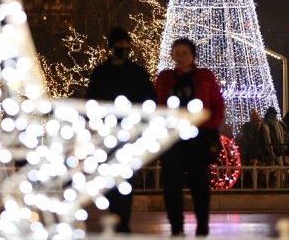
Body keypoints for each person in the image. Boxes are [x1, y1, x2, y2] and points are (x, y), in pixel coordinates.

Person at [86, 27, 155, 234]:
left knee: (125, 179)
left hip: (130, 133)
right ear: (112, 47)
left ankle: (122, 220)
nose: (123, 48)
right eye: (119, 45)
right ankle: (115, 218)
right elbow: (91, 101)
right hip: (106, 133)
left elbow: (149, 101)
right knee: (110, 179)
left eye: (126, 44)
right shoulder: (100, 73)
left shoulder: (137, 73)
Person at [155, 38, 224, 237]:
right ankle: (176, 226)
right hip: (173, 139)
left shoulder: (205, 76)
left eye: (185, 52)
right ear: (172, 55)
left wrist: (209, 124)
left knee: (200, 184)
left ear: (192, 55)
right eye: (177, 52)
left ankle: (202, 224)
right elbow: (158, 104)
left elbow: (217, 104)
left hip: (199, 138)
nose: (181, 56)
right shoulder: (166, 78)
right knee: (171, 184)